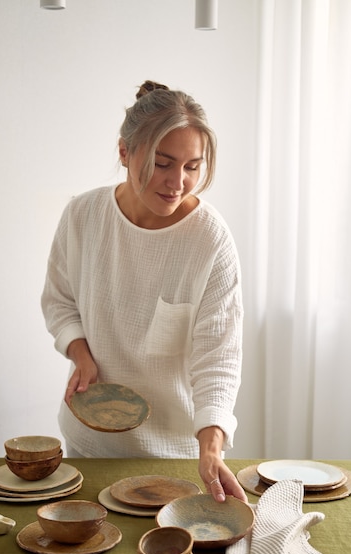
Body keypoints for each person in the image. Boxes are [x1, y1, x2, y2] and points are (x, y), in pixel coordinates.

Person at [41, 80, 247, 503]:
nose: (178, 182)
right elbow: (60, 302)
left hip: (172, 456)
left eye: (193, 166)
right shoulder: (83, 215)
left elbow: (218, 356)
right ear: (124, 152)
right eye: (163, 163)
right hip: (90, 444)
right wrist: (81, 354)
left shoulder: (210, 240)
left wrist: (210, 446)